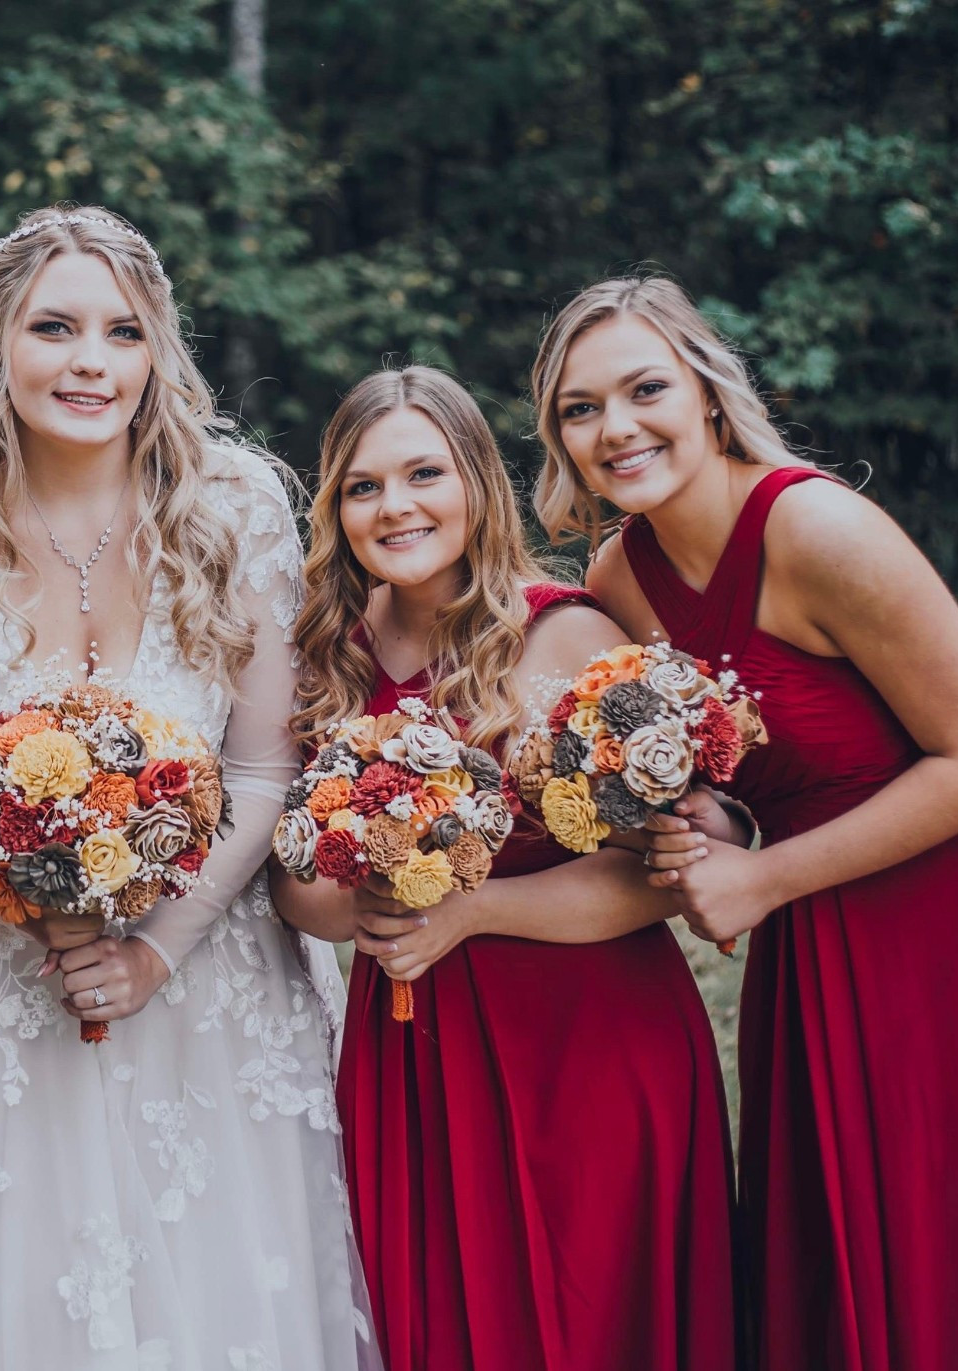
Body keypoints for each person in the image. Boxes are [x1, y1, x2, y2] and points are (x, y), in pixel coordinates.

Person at [0, 206, 373, 1369]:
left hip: (209, 985)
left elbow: (261, 768)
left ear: (158, 349)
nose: (91, 362)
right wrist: (31, 906)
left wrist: (153, 952)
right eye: (54, 328)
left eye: (123, 332)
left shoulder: (236, 508)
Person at [533, 273, 958, 1370]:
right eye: (581, 408)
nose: (615, 427)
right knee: (846, 1261)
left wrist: (762, 880)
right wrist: (689, 822)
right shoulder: (623, 576)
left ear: (707, 393)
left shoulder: (817, 529)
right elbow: (724, 782)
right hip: (819, 945)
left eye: (644, 389)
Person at [272, 365, 736, 1370]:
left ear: (477, 482)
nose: (395, 506)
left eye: (424, 473)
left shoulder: (566, 632)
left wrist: (472, 911)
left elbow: (659, 872)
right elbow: (294, 885)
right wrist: (366, 900)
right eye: (363, 486)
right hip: (414, 1051)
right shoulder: (328, 659)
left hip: (585, 1042)